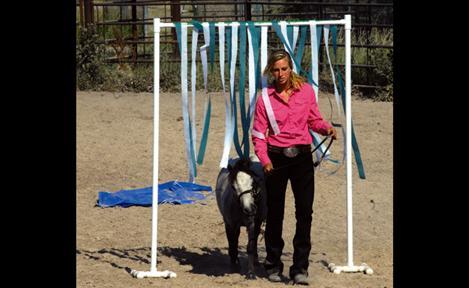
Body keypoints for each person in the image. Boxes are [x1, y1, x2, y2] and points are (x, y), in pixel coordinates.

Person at [251, 49, 337, 285]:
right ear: (270, 71)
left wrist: (325, 128)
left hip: (301, 158)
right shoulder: (264, 98)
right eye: (276, 70)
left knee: (304, 212)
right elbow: (258, 134)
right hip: (275, 159)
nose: (280, 74)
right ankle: (273, 264)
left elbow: (313, 119)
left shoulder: (306, 91)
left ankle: (300, 267)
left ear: (291, 69)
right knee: (275, 213)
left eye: (284, 69)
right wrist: (264, 159)